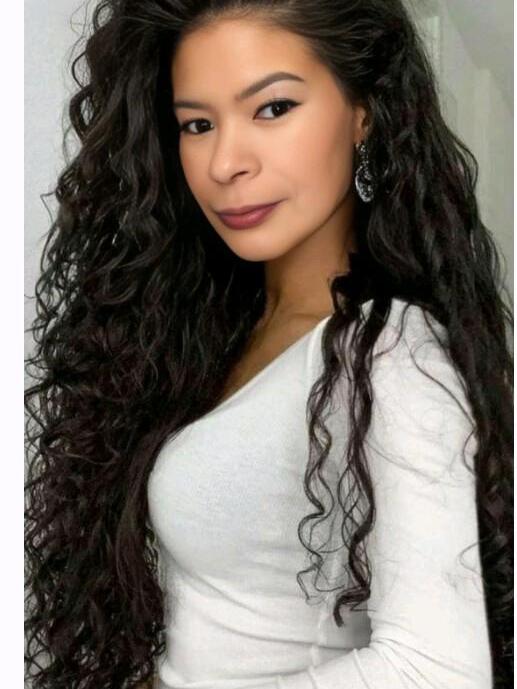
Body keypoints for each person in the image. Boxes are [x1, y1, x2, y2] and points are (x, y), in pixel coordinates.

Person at [24, 1, 513, 688]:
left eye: (273, 108)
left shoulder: (389, 352)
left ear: (364, 114)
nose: (225, 162)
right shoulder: (218, 331)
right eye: (197, 124)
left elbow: (437, 671)